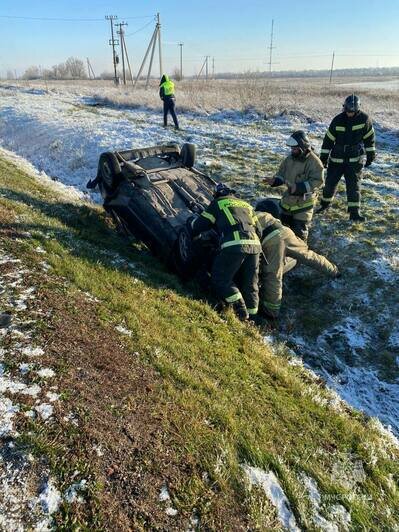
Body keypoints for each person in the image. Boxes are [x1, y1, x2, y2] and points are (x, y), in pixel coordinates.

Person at [255, 198, 340, 320]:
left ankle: (269, 310)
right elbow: (307, 252)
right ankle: (334, 271)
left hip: (263, 241)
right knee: (305, 257)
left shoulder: (250, 214)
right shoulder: (279, 224)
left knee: (270, 273)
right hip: (283, 233)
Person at [189, 183, 261, 321]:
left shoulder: (218, 203)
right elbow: (259, 230)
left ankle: (240, 311)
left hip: (234, 244)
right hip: (255, 246)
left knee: (220, 279)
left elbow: (200, 225)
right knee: (250, 283)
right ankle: (253, 319)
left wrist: (191, 223)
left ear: (217, 194)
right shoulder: (247, 205)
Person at [318, 94, 376, 222]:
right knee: (329, 184)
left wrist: (371, 155)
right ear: (344, 108)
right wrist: (323, 158)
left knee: (353, 186)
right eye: (348, 111)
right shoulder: (337, 120)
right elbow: (328, 140)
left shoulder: (365, 119)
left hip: (355, 160)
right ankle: (324, 204)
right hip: (336, 159)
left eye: (352, 112)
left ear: (357, 110)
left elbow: (369, 139)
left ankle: (354, 213)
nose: (349, 114)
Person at [263, 130, 324, 242]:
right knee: (282, 233)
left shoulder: (314, 162)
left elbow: (318, 181)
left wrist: (299, 188)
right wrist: (275, 181)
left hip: (303, 206)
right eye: (291, 148)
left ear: (303, 147)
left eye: (295, 148)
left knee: (299, 237)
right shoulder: (290, 159)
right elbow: (282, 174)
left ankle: (300, 257)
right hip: (287, 203)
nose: (292, 151)